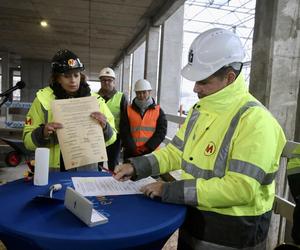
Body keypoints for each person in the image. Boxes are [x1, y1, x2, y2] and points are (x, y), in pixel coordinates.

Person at [114, 28, 286, 249]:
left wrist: (168, 190)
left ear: (229, 77)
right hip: (194, 221)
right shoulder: (201, 110)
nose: (195, 88)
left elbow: (240, 189)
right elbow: (175, 152)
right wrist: (136, 167)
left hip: (231, 235)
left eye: (203, 81)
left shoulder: (256, 121)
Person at [23, 49, 116, 171]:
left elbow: (112, 137)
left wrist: (105, 127)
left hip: (86, 170)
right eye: (66, 76)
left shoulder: (96, 101)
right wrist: (43, 133)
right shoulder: (42, 100)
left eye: (76, 75)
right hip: (53, 172)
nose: (73, 80)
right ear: (57, 78)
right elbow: (27, 142)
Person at [120, 79, 167, 160]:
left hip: (151, 152)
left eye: (144, 92)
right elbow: (124, 130)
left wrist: (148, 147)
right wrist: (132, 147)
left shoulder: (158, 111)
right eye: (138, 92)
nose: (141, 95)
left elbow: (161, 132)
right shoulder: (128, 110)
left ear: (149, 92)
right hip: (131, 152)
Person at [98, 67, 128, 171]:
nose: (106, 82)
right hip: (98, 137)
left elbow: (125, 120)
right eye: (103, 80)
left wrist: (124, 140)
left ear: (114, 82)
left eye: (109, 80)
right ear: (100, 81)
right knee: (97, 164)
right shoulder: (94, 97)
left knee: (113, 164)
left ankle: (113, 184)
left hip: (115, 138)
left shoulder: (121, 97)